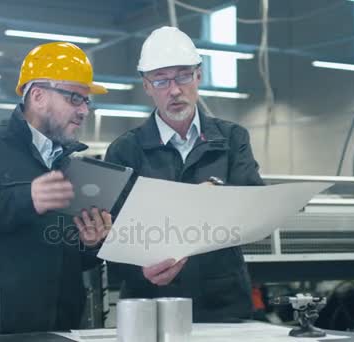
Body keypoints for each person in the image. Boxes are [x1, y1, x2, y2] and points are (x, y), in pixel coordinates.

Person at [0, 42, 112, 338]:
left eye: (87, 101)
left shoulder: (69, 166)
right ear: (38, 96)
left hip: (62, 331)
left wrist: (90, 245)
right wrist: (25, 199)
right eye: (75, 98)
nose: (84, 110)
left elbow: (67, 258)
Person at [104, 26, 264, 323]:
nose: (174, 90)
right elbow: (109, 237)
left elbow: (252, 207)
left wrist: (216, 190)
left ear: (199, 76)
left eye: (183, 76)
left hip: (223, 302)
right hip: (151, 302)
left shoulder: (232, 139)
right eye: (161, 80)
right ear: (147, 86)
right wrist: (141, 271)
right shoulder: (125, 150)